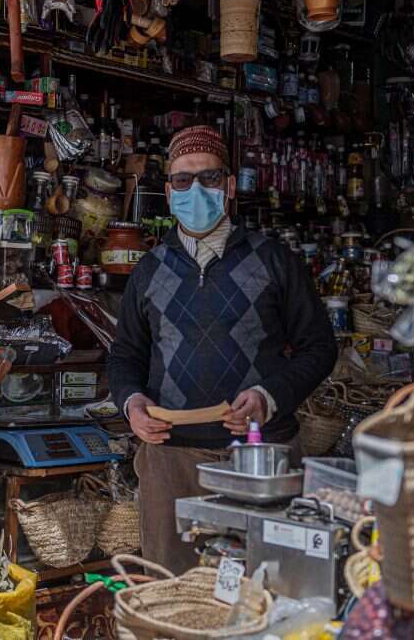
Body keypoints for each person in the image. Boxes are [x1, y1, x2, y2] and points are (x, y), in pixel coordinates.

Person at [108, 125, 338, 573]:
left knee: (267, 587)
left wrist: (268, 398)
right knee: (173, 590)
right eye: (182, 180)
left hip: (260, 457)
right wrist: (131, 403)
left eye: (209, 178)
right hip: (171, 459)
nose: (195, 190)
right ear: (169, 193)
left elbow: (319, 348)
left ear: (229, 187)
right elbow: (124, 356)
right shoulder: (149, 270)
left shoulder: (273, 259)